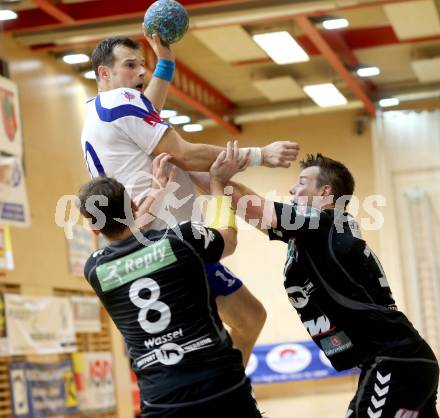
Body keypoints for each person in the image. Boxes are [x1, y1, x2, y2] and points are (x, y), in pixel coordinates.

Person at [80, 34, 299, 363]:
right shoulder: (120, 102)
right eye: (130, 65)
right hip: (166, 243)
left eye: (143, 65)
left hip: (136, 245)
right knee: (222, 319)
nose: (141, 73)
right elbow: (186, 153)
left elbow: (147, 108)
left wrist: (165, 64)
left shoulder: (100, 112)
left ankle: (226, 389)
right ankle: (225, 392)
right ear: (104, 74)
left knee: (249, 317)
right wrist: (260, 155)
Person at [209, 153, 438, 418]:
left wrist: (217, 177)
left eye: (302, 182)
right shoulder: (317, 232)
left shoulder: (320, 222)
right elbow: (248, 209)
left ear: (325, 192)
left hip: (394, 361)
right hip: (402, 360)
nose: (292, 189)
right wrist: (200, 171)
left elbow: (254, 207)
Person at [79, 142, 262, 417]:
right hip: (220, 385)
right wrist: (218, 185)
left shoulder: (95, 269)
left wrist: (154, 195)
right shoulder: (181, 238)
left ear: (93, 227)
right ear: (131, 203)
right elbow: (229, 239)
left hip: (162, 401)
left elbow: (130, 235)